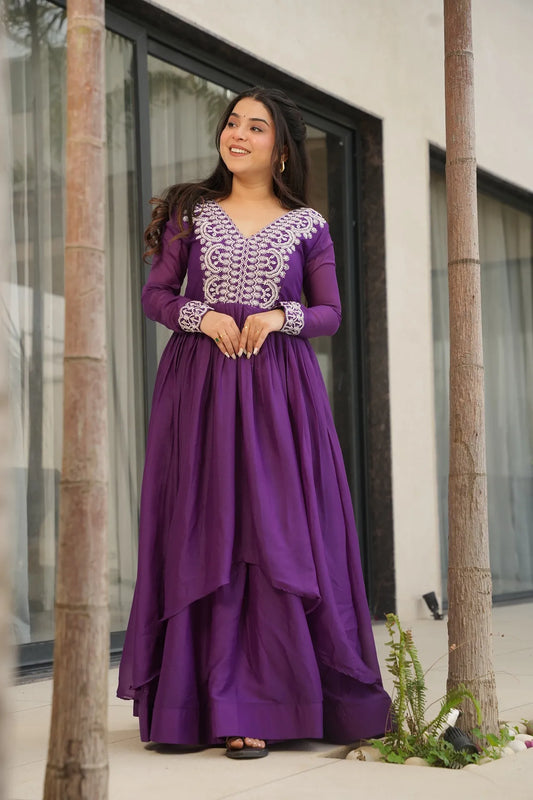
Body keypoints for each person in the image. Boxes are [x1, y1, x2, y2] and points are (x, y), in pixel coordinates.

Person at [117, 86, 391, 759]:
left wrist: (277, 317)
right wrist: (201, 315)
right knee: (206, 528)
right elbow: (155, 294)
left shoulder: (308, 225)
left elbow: (329, 312)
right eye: (232, 123)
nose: (237, 134)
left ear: (281, 148)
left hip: (278, 396)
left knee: (273, 534)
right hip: (200, 392)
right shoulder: (189, 211)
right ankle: (200, 704)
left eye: (255, 127)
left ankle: (266, 702)